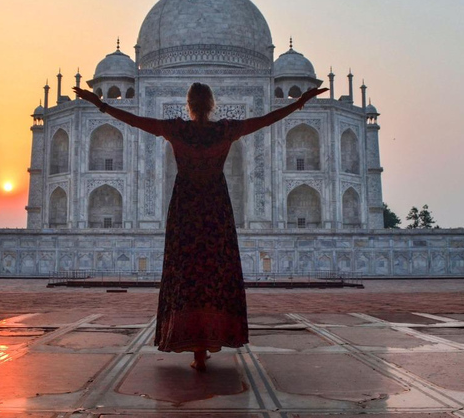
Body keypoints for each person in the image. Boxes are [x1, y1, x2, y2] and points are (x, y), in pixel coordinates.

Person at [73, 82, 328, 370]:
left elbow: (135, 121)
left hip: (186, 209)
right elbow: (265, 120)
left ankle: (195, 350)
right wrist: (299, 103)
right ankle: (208, 341)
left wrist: (101, 105)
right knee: (214, 273)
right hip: (216, 209)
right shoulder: (225, 130)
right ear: (212, 105)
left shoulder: (177, 130)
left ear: (189, 105)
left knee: (187, 273)